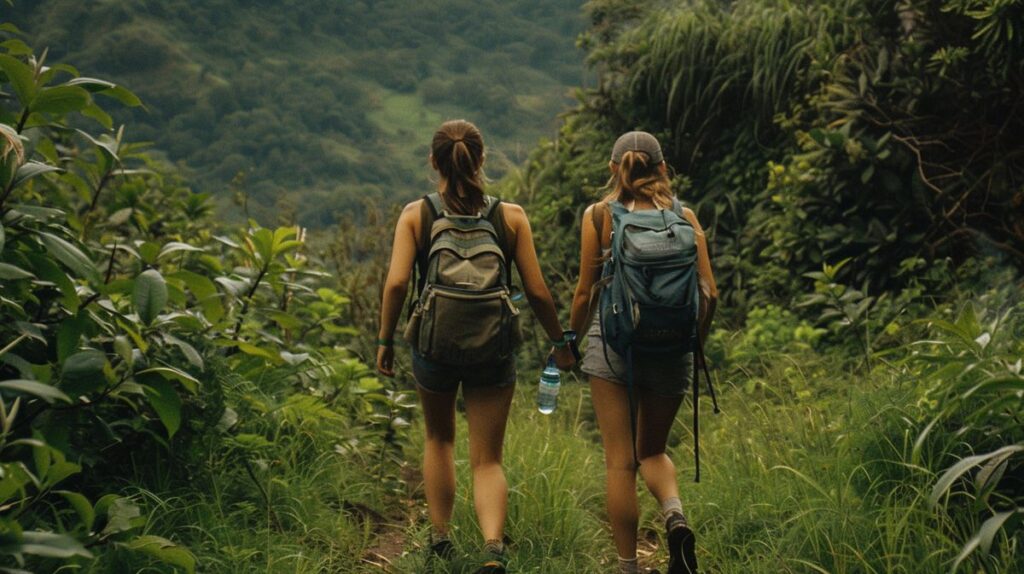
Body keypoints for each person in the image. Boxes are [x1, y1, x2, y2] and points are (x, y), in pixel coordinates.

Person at [376, 119, 575, 574]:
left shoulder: (417, 214)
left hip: (434, 346)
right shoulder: (511, 216)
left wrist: (386, 340)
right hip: (493, 348)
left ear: (434, 162)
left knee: (439, 438)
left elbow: (397, 283)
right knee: (488, 459)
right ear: (481, 159)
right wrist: (560, 344)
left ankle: (441, 539)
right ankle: (491, 549)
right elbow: (539, 292)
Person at [568, 131, 717, 574]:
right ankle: (674, 516)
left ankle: (629, 567)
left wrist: (568, 344)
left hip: (614, 348)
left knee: (619, 462)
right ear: (662, 169)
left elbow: (582, 294)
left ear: (614, 169)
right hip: (673, 350)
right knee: (652, 451)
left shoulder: (599, 217)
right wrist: (693, 342)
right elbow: (709, 292)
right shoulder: (685, 218)